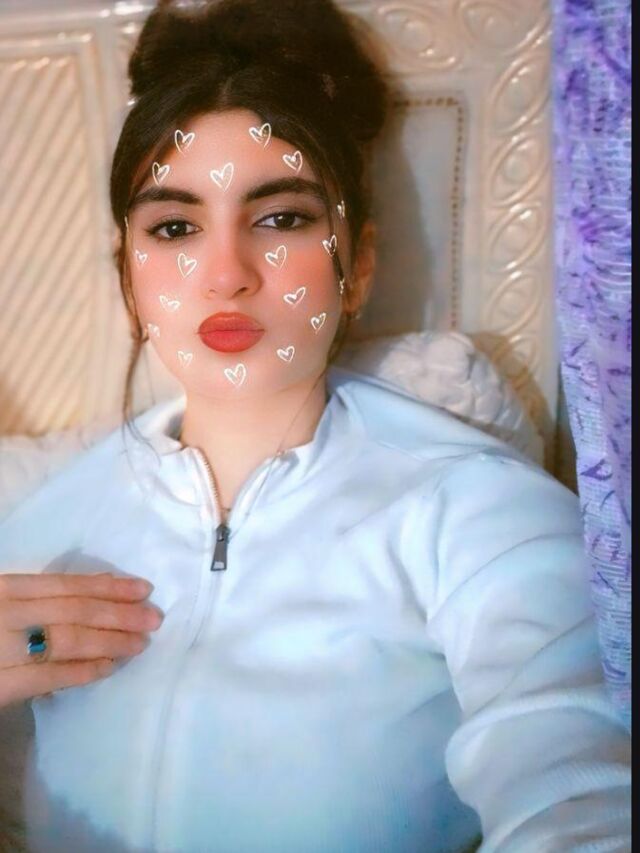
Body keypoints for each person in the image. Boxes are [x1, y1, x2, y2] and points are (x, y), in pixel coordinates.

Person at [0, 0, 631, 851]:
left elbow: (579, 785)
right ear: (130, 279)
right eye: (176, 227)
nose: (225, 273)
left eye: (281, 218)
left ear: (357, 264)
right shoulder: (36, 531)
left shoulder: (483, 515)